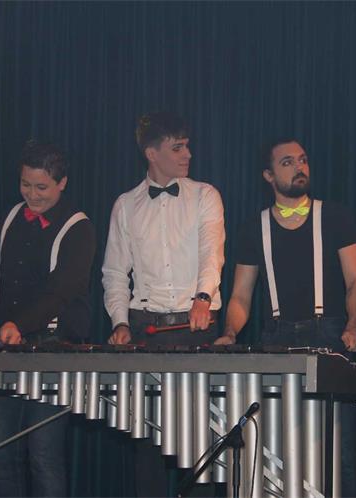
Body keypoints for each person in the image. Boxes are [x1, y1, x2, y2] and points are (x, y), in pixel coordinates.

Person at [214, 138, 356, 497]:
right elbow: (240, 295)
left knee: (340, 452)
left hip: (329, 337)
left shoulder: (336, 216)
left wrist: (354, 323)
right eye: (287, 162)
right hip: (277, 339)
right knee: (277, 451)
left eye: (303, 160)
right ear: (268, 175)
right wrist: (230, 331)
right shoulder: (254, 227)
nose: (300, 167)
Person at [102, 111, 225, 496]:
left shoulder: (205, 195)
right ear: (151, 153)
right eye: (177, 148)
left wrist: (203, 297)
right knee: (148, 443)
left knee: (201, 443)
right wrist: (120, 322)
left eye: (187, 146)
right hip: (146, 330)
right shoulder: (125, 205)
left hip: (196, 327)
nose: (188, 154)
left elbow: (212, 253)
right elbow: (114, 272)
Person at [0, 140, 96, 496]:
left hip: (51, 350)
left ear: (62, 183)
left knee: (44, 456)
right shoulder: (9, 217)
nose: (31, 194)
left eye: (41, 187)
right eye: (25, 184)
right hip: (2, 351)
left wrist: (20, 325)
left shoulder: (79, 227)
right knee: (2, 457)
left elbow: (61, 292)